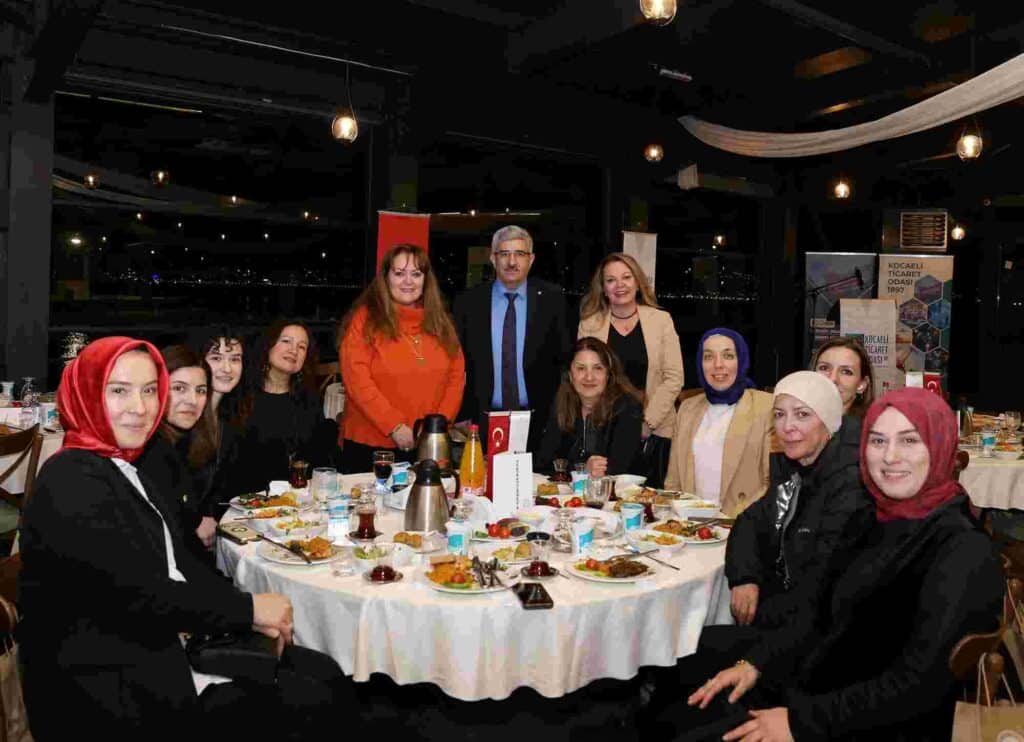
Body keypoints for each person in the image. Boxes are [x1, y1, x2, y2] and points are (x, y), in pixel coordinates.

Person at [17, 336, 345, 738]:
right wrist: (247, 610)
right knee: (312, 698)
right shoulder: (71, 480)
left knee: (323, 675)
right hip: (108, 692)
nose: (139, 408)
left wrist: (242, 615)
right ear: (84, 394)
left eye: (150, 390)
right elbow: (139, 596)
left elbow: (181, 560)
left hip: (152, 650)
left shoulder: (119, 466)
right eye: (118, 391)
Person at [669, 388, 1003, 742]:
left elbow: (915, 687)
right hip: (821, 689)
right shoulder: (872, 518)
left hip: (872, 726)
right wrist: (756, 664)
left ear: (939, 447)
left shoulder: (962, 549)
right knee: (678, 701)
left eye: (909, 440)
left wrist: (797, 723)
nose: (890, 456)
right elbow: (818, 613)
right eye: (877, 440)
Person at [724, 371, 872, 628]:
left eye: (802, 414)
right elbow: (750, 521)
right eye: (779, 414)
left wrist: (762, 626)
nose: (787, 426)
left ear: (827, 421)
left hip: (817, 634)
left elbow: (821, 590)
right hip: (784, 614)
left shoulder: (849, 485)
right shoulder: (794, 465)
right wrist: (744, 577)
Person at [338, 244, 465, 471]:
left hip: (428, 446)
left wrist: (436, 428)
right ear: (386, 278)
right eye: (399, 273)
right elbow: (356, 380)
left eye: (416, 274)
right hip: (371, 448)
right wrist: (394, 426)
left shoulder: (441, 322)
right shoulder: (364, 320)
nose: (408, 281)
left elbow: (456, 377)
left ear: (426, 280)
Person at [454, 225, 572, 452]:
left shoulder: (552, 300)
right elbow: (459, 364)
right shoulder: (469, 302)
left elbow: (564, 358)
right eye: (504, 253)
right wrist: (463, 413)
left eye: (520, 254)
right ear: (492, 258)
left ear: (532, 259)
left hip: (540, 419)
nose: (511, 262)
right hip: (483, 418)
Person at [578, 252, 683, 487]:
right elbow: (583, 378)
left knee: (650, 502)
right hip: (606, 428)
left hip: (654, 431)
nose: (620, 285)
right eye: (611, 280)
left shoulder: (661, 320)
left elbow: (674, 377)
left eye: (626, 277)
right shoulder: (590, 323)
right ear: (603, 288)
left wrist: (647, 423)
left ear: (637, 282)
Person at [664, 328, 773, 516]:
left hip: (741, 525)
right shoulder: (687, 408)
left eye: (728, 356)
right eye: (708, 357)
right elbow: (673, 482)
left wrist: (732, 522)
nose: (718, 365)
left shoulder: (766, 407)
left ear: (742, 360)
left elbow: (770, 482)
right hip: (691, 528)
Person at [225, 320, 338, 495]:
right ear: (268, 345)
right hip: (244, 503)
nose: (293, 350)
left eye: (302, 347)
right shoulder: (239, 395)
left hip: (295, 503)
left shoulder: (308, 400)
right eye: (286, 341)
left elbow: (319, 460)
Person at [137, 345, 219, 559]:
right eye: (180, 388)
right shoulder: (150, 451)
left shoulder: (187, 441)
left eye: (201, 390)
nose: (192, 400)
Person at [534, 337, 644, 477]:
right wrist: (582, 468)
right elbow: (543, 464)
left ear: (608, 375)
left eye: (597, 368)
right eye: (581, 368)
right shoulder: (561, 405)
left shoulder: (627, 408)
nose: (589, 377)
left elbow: (619, 467)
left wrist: (572, 469)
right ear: (570, 375)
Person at [810, 336, 875, 417]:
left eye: (846, 372)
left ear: (862, 384)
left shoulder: (871, 428)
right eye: (824, 368)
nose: (832, 378)